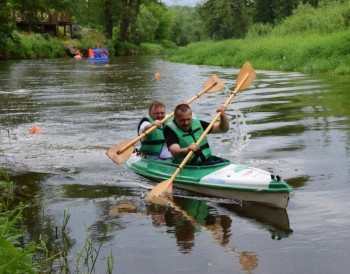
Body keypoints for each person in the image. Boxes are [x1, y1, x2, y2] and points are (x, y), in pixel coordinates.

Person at [164, 103, 229, 165]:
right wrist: (188, 149)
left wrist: (223, 116)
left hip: (206, 161)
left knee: (224, 162)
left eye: (188, 119)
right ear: (175, 119)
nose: (186, 123)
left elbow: (223, 129)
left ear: (191, 117)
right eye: (182, 120)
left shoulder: (197, 123)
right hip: (188, 165)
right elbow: (174, 151)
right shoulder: (170, 130)